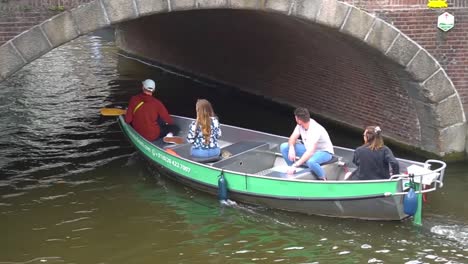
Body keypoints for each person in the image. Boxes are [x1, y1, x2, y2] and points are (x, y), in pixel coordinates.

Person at [280, 107, 334, 180]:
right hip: (308, 148)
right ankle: (291, 169)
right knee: (284, 147)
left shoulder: (315, 129)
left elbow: (310, 152)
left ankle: (323, 178)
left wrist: (296, 164)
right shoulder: (300, 125)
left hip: (324, 152)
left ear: (298, 119)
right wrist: (291, 148)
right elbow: (292, 138)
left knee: (311, 162)